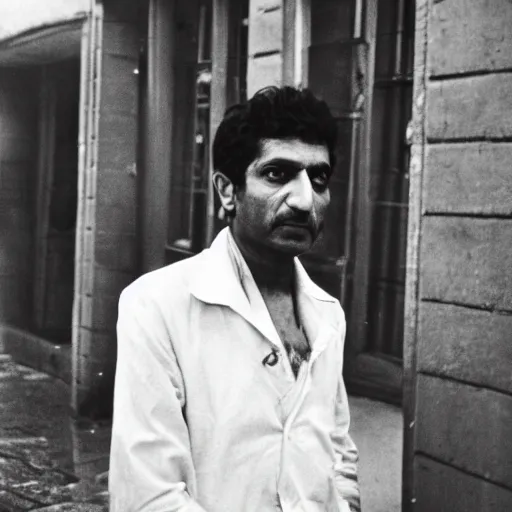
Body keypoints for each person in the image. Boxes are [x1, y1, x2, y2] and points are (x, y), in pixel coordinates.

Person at [109, 86, 361, 512]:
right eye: (278, 174)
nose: (304, 200)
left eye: (318, 179)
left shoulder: (327, 316)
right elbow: (148, 495)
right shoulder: (157, 305)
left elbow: (338, 454)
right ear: (228, 191)